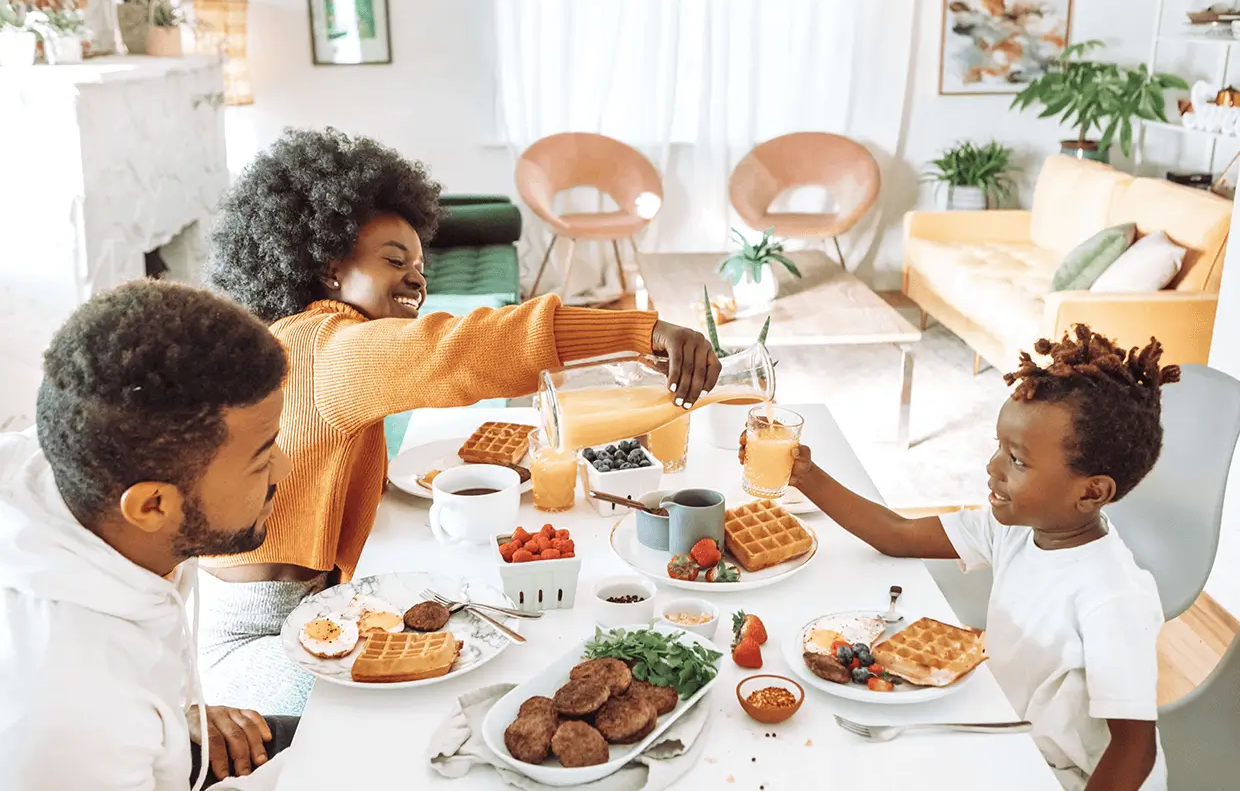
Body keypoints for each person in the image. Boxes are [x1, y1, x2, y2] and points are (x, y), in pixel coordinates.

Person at [199, 126, 724, 716]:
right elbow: (464, 349)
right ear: (326, 270)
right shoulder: (334, 349)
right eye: (394, 260)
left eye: (421, 266)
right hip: (260, 643)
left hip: (310, 609)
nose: (419, 279)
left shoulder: (305, 339)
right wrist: (637, 331)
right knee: (454, 698)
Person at [752, 324, 1174, 791]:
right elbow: (899, 535)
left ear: (1092, 491)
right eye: (999, 447)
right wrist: (805, 476)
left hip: (1067, 777)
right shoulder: (1017, 529)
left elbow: (1134, 748)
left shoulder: (1113, 598)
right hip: (1002, 731)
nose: (992, 467)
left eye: (1017, 460)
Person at [0, 280, 298, 790]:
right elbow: (85, 726)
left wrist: (171, 715)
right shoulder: (74, 716)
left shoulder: (83, 466)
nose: (284, 469)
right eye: (261, 456)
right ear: (153, 505)